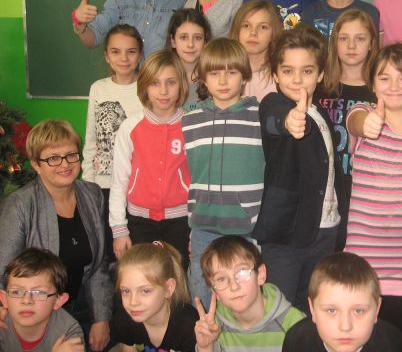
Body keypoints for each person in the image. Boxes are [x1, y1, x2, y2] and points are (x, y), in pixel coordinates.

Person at [254, 25, 348, 314]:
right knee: (279, 312)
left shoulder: (321, 115)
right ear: (275, 75)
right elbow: (274, 119)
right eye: (287, 71)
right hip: (286, 235)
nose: (297, 79)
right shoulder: (274, 103)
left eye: (306, 71)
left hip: (325, 231)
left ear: (320, 74)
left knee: (312, 310)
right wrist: (289, 122)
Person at [0, 119, 112, 352]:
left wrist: (101, 317)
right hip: (37, 317)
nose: (65, 164)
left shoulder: (92, 195)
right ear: (36, 164)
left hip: (82, 308)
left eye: (71, 155)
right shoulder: (20, 205)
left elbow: (99, 264)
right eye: (53, 158)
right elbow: (3, 270)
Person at [345, 44, 402, 338]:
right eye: (384, 78)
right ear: (372, 84)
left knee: (397, 341)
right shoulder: (362, 113)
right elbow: (356, 122)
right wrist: (368, 123)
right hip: (365, 259)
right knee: (359, 338)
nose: (394, 86)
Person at [182, 38, 265, 306]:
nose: (223, 80)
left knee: (244, 296)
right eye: (215, 73)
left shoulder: (260, 117)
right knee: (203, 295)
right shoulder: (190, 121)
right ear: (203, 78)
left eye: (231, 72)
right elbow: (191, 174)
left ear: (244, 76)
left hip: (246, 226)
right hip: (203, 225)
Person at [109, 50, 191, 268]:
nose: (163, 91)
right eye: (155, 83)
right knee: (142, 278)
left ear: (181, 84)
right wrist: (119, 229)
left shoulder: (192, 126)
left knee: (177, 279)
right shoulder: (130, 127)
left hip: (181, 221)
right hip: (139, 222)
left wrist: (198, 228)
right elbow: (119, 182)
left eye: (171, 82)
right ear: (144, 86)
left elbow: (201, 181)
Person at [281, 252, 402, 352]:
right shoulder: (296, 342)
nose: (345, 327)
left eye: (358, 311)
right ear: (312, 309)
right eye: (331, 310)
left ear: (377, 309)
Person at [82, 24, 144, 264]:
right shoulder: (98, 88)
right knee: (109, 255)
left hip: (136, 186)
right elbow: (92, 140)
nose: (124, 58)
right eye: (116, 52)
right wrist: (88, 186)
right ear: (106, 55)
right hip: (103, 186)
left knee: (135, 255)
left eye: (131, 51)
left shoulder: (149, 87)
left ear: (139, 54)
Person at [193, 235, 305, 352]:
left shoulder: (295, 325)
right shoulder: (215, 327)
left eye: (242, 272)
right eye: (221, 279)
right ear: (214, 291)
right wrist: (206, 349)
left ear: (261, 275)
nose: (234, 286)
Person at [316, 9, 378, 195]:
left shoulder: (382, 90)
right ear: (334, 43)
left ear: (371, 43)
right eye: (343, 38)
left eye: (360, 38)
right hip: (325, 187)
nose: (351, 45)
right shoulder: (319, 87)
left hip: (365, 188)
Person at [112, 241, 197, 352]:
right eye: (126, 291)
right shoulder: (124, 319)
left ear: (168, 288)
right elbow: (128, 351)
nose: (132, 302)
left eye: (145, 291)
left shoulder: (189, 324)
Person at [0, 248, 87, 352]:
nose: (26, 301)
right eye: (16, 292)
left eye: (39, 293)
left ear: (58, 301)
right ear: (4, 299)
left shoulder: (69, 331)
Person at [229, 0, 282, 101]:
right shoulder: (222, 72)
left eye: (263, 27)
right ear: (237, 30)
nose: (253, 33)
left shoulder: (282, 74)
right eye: (246, 26)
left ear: (273, 33)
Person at [165, 8, 213, 110]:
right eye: (183, 37)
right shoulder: (161, 79)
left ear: (205, 42)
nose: (190, 44)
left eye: (197, 38)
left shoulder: (216, 78)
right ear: (173, 41)